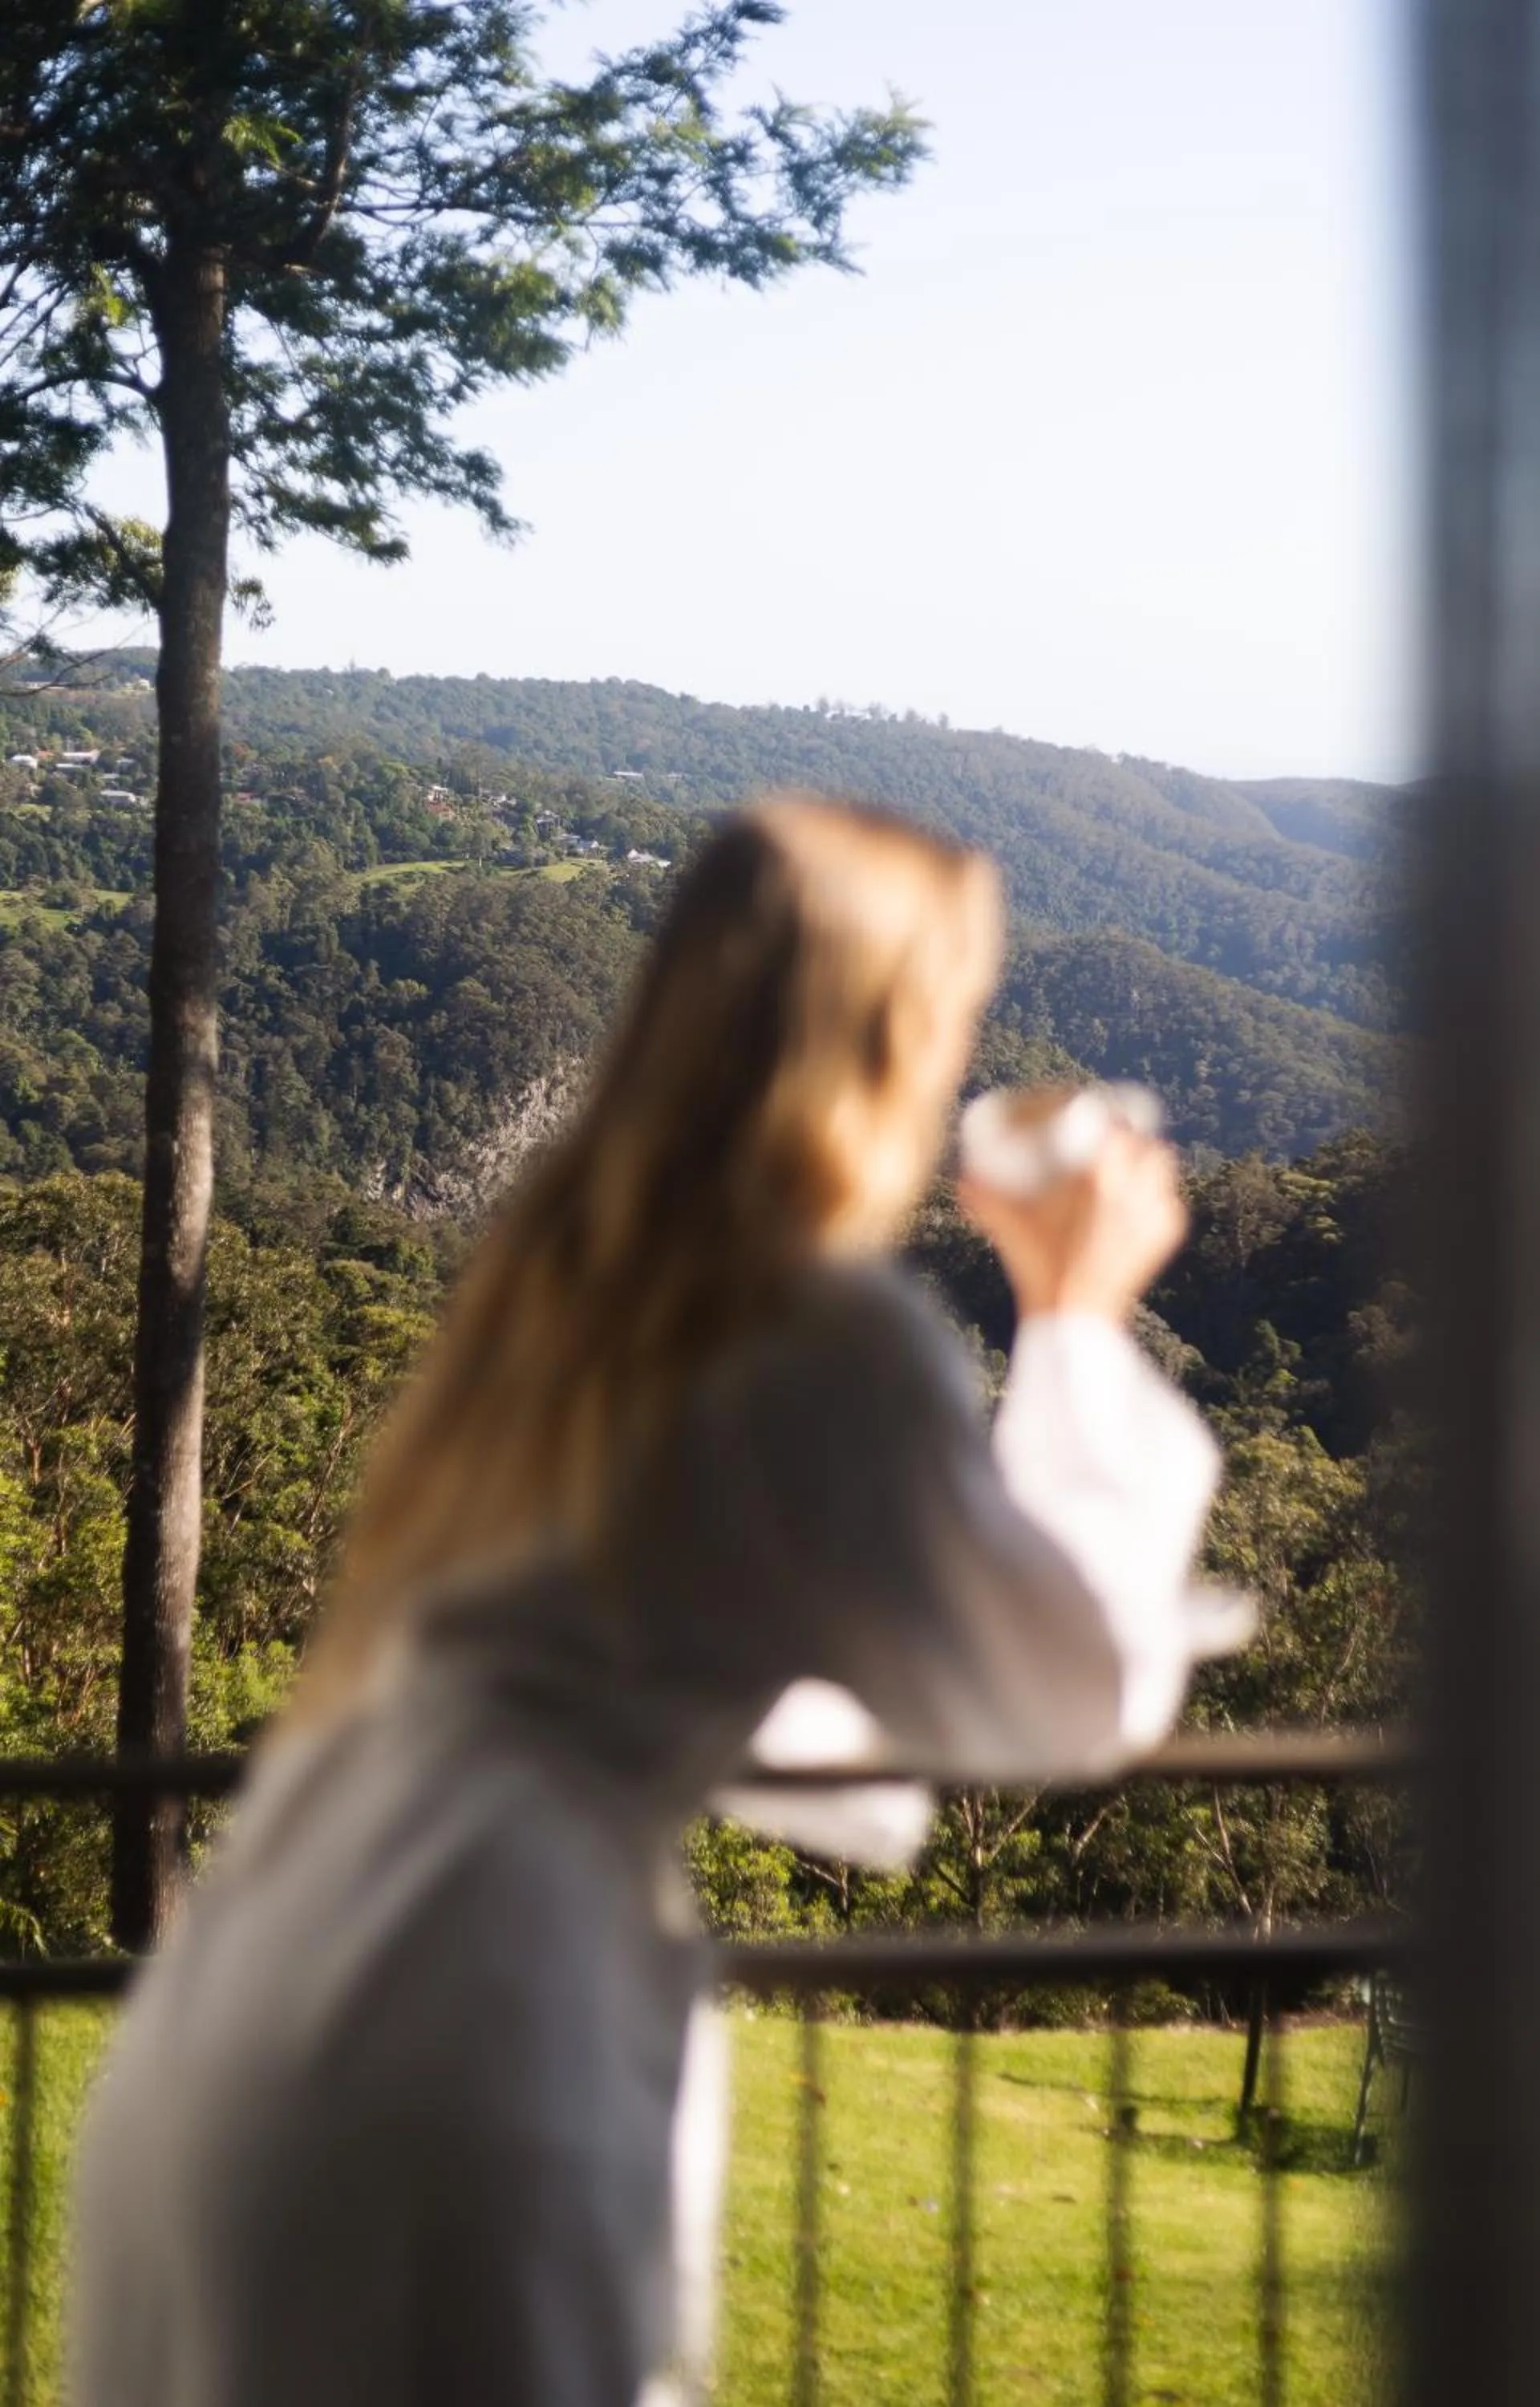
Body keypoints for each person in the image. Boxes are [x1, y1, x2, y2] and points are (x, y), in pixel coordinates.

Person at [70, 795, 1250, 2407]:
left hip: (275, 1958)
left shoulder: (559, 1300)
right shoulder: (815, 1339)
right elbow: (1069, 1685)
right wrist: (1073, 1315)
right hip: (482, 2001)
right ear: (892, 1037)